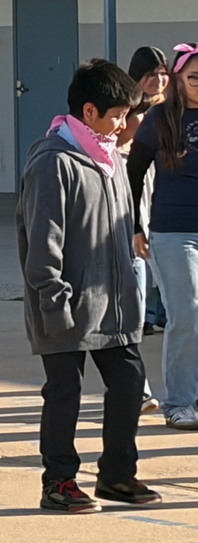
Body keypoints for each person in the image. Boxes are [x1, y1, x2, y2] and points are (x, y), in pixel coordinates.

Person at [17, 60, 161, 513]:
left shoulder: (111, 160)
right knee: (65, 392)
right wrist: (53, 302)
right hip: (64, 304)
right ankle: (58, 481)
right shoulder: (53, 162)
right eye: (117, 115)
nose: (123, 126)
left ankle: (117, 475)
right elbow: (43, 241)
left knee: (129, 380)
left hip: (112, 307)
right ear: (89, 110)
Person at [129, 43, 198, 431]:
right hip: (173, 232)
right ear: (178, 80)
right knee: (185, 314)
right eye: (193, 78)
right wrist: (136, 226)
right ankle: (179, 402)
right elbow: (134, 175)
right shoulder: (158, 119)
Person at [115, 94, 159, 413]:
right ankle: (136, 389)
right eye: (135, 115)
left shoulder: (146, 154)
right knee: (126, 320)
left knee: (135, 319)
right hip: (117, 247)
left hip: (139, 246)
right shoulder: (106, 158)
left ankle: (137, 388)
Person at [128, 46, 170, 334]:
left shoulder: (173, 105)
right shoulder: (133, 111)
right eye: (150, 74)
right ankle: (140, 317)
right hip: (140, 182)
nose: (157, 79)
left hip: (164, 183)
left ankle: (165, 314)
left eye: (162, 73)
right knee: (142, 252)